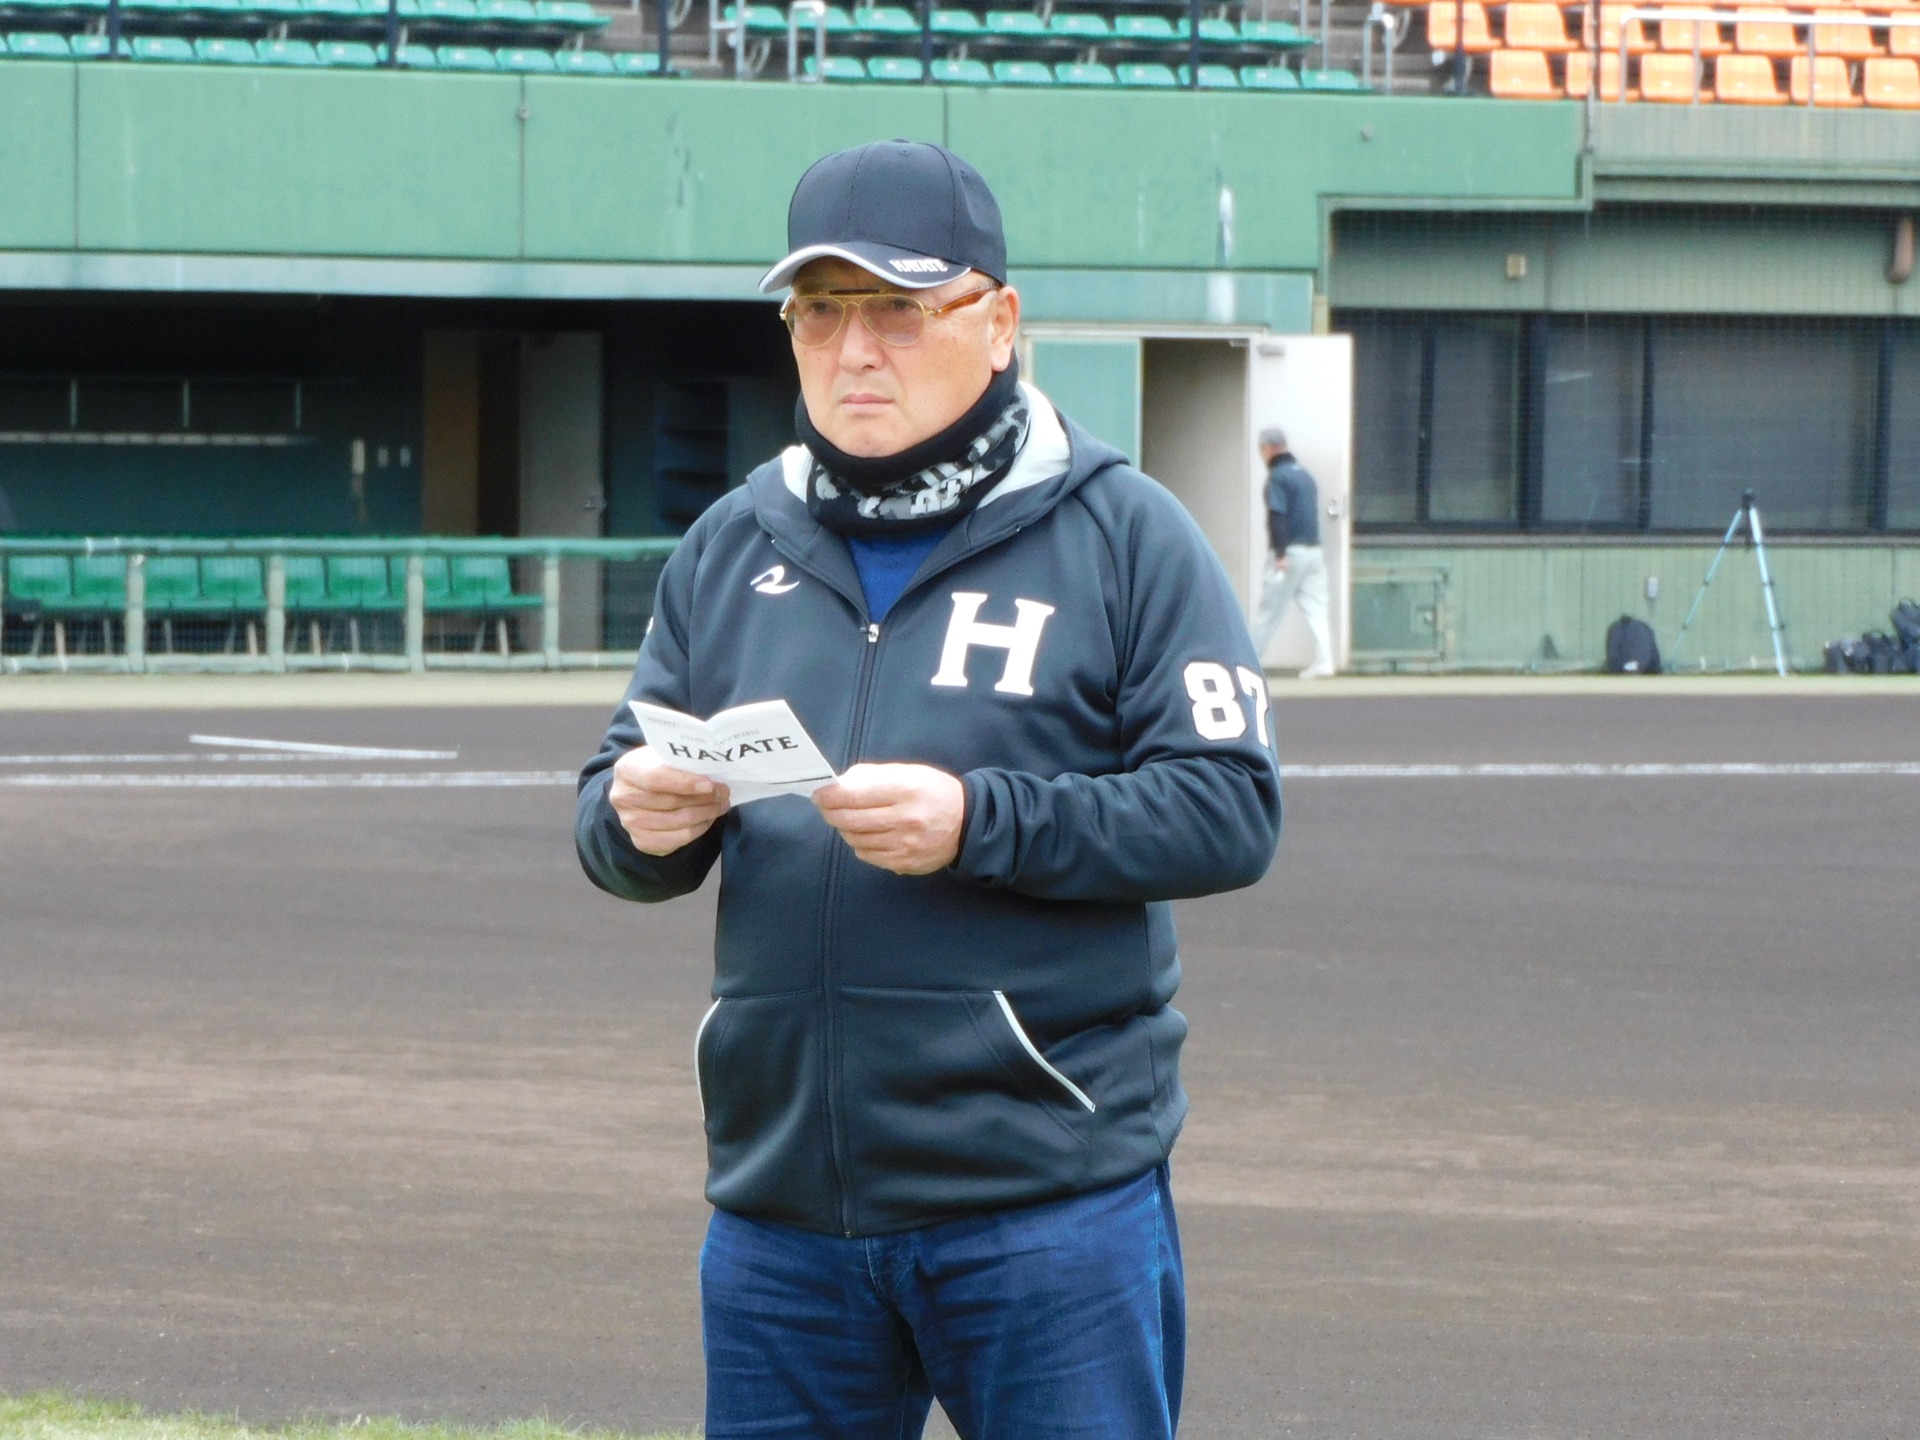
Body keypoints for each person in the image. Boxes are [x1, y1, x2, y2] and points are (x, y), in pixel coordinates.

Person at [576, 140, 1282, 1440]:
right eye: (821, 312)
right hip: (784, 1212)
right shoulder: (732, 544)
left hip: (1044, 1206)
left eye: (898, 310)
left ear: (997, 323)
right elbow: (613, 808)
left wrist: (980, 823)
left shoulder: (1125, 535)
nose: (856, 351)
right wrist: (636, 825)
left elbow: (1230, 807)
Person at [1249, 427, 1335, 678]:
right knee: (1317, 610)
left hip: (1289, 553)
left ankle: (1249, 662)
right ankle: (1325, 662)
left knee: (1269, 612)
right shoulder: (1306, 476)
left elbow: (1277, 516)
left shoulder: (1278, 477)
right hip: (1314, 552)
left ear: (1267, 448)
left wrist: (1280, 554)